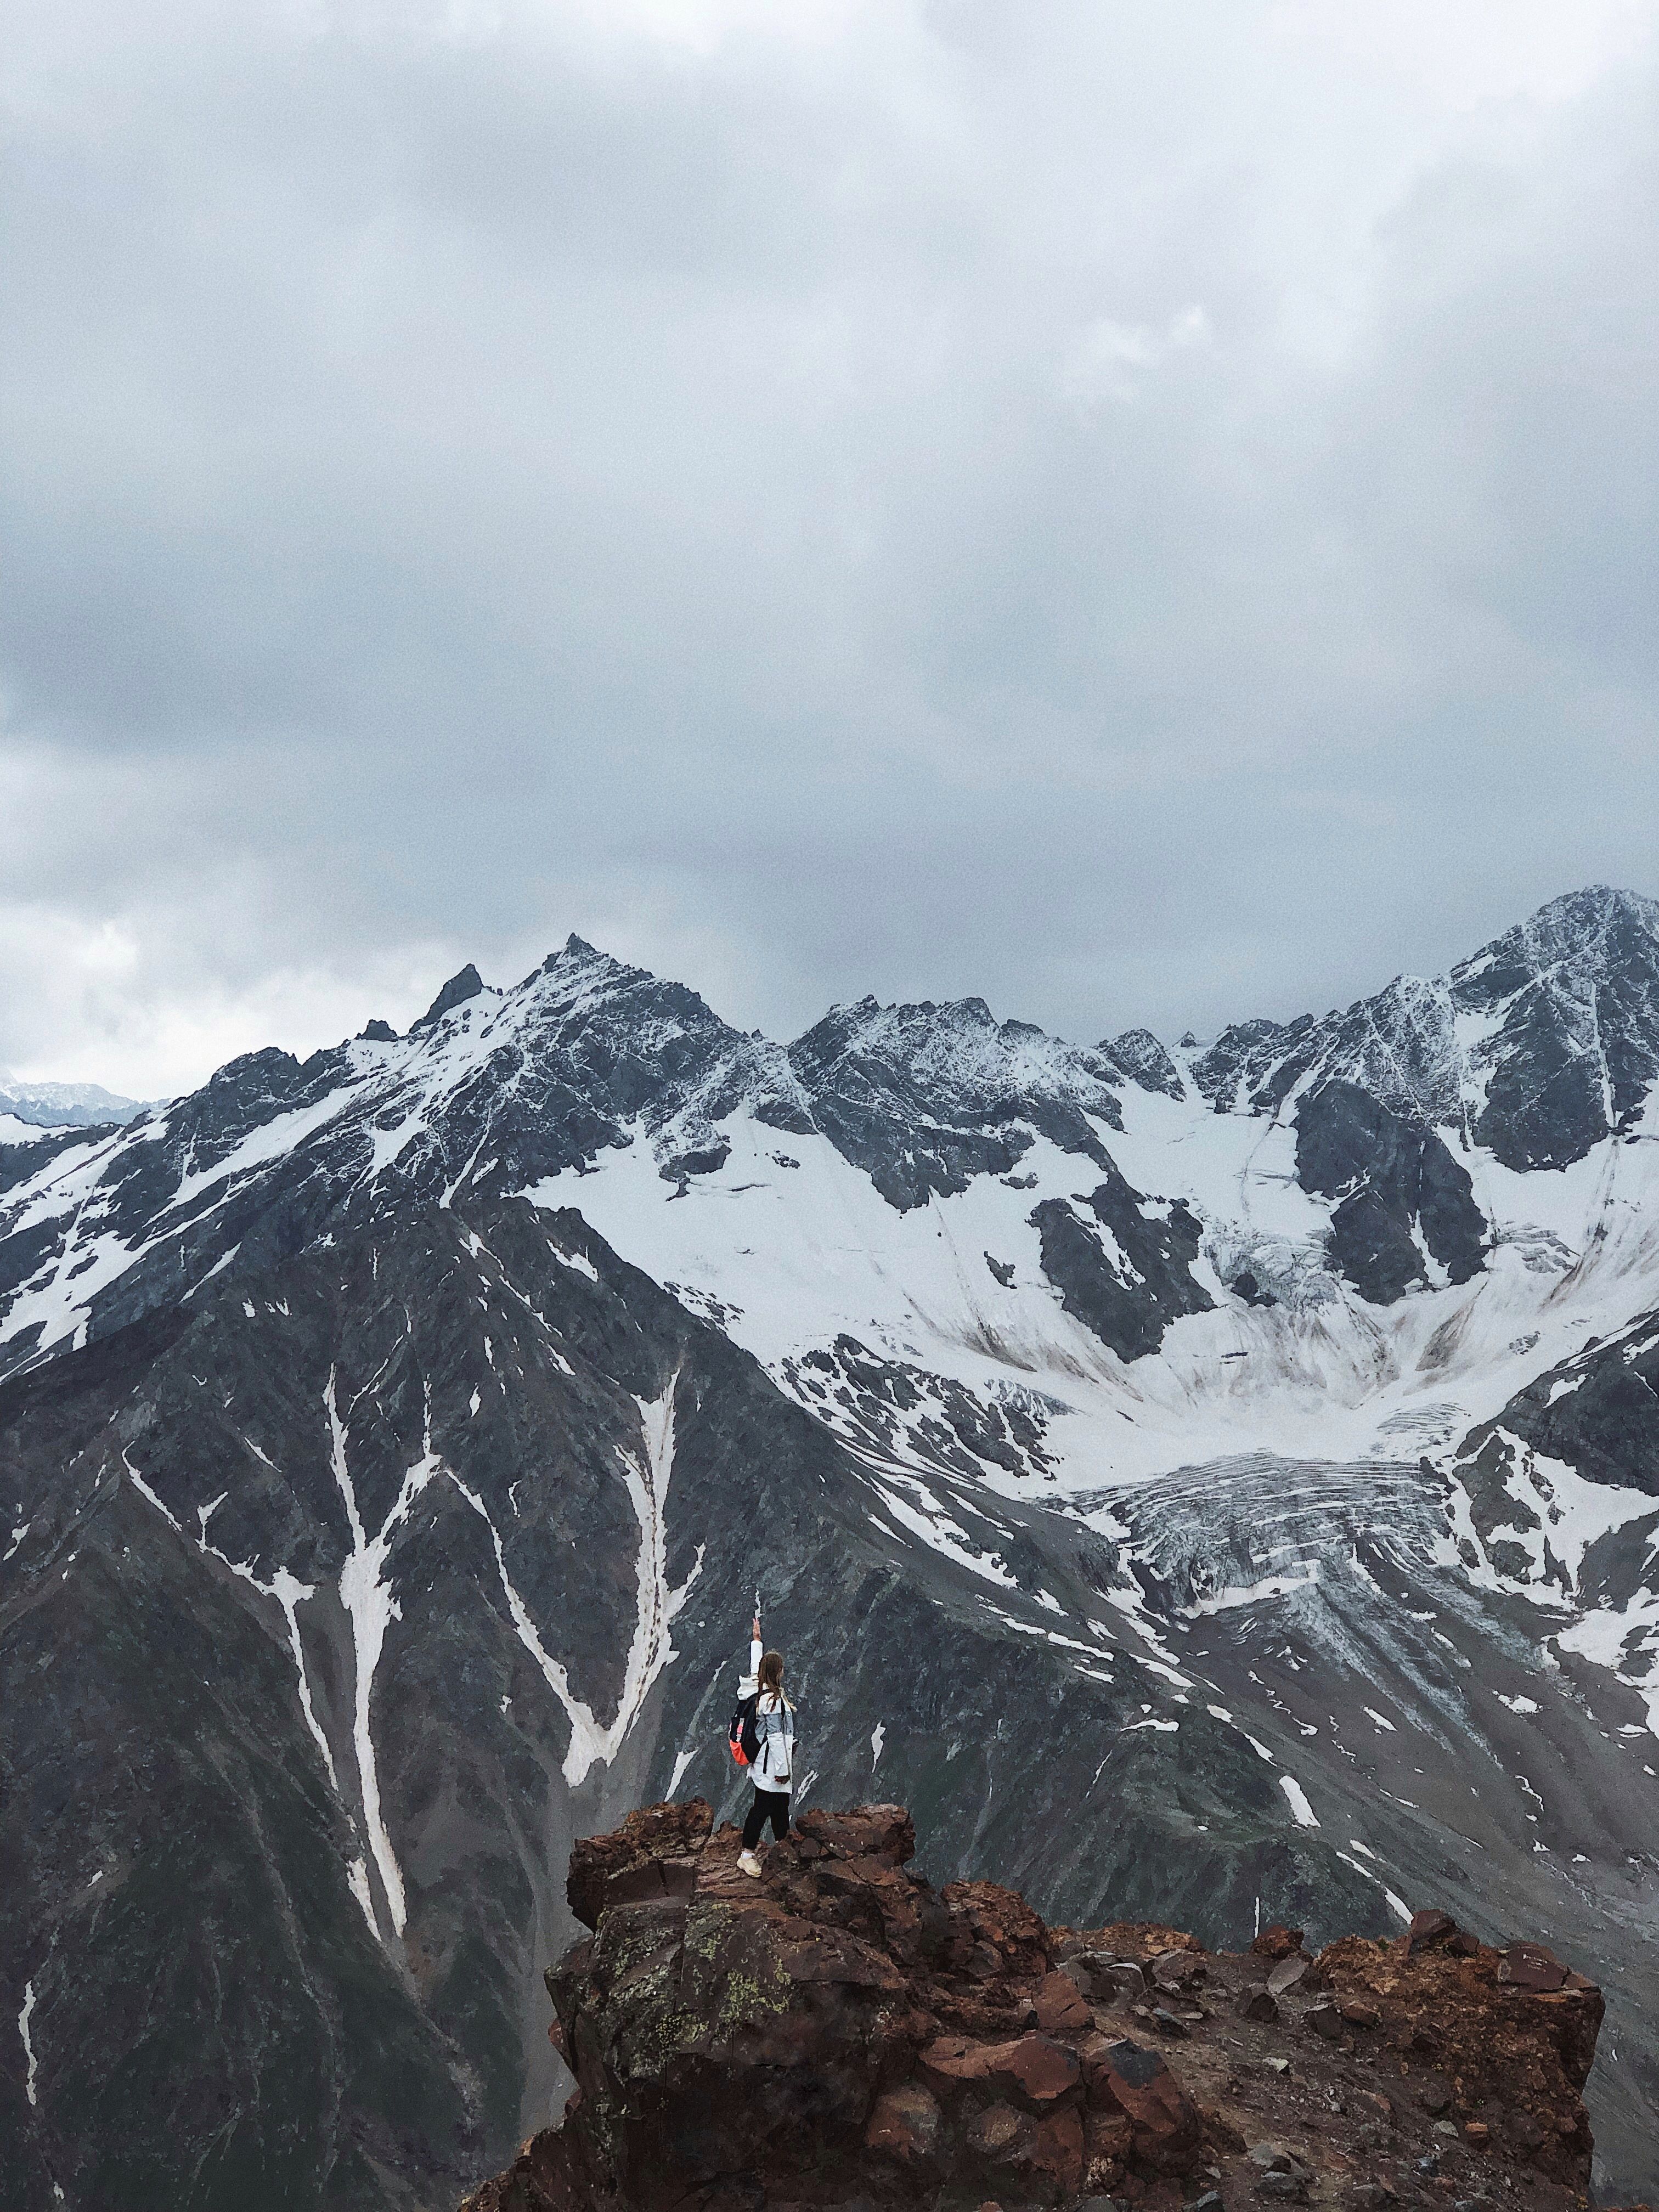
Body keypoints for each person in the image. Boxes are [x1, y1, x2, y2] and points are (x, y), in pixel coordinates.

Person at [736, 1612, 794, 1877]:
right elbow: (776, 1737)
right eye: (781, 1668)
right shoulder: (774, 1702)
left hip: (764, 1763)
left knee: (779, 1808)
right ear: (778, 1672)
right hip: (772, 1766)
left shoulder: (755, 1690)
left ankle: (785, 1850)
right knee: (763, 1809)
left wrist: (756, 1640)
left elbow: (754, 1668)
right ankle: (747, 1855)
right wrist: (783, 1769)